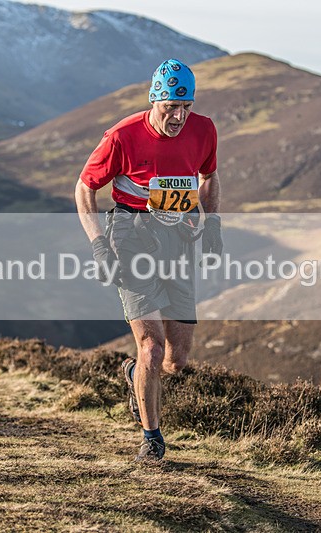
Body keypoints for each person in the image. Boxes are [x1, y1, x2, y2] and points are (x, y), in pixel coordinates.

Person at [75, 58, 222, 462]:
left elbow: (209, 176)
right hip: (130, 236)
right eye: (169, 108)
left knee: (176, 360)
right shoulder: (122, 136)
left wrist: (213, 223)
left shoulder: (203, 129)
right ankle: (152, 438)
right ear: (154, 100)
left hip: (177, 240)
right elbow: (84, 189)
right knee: (152, 349)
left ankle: (133, 375)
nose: (178, 117)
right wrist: (99, 244)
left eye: (185, 107)